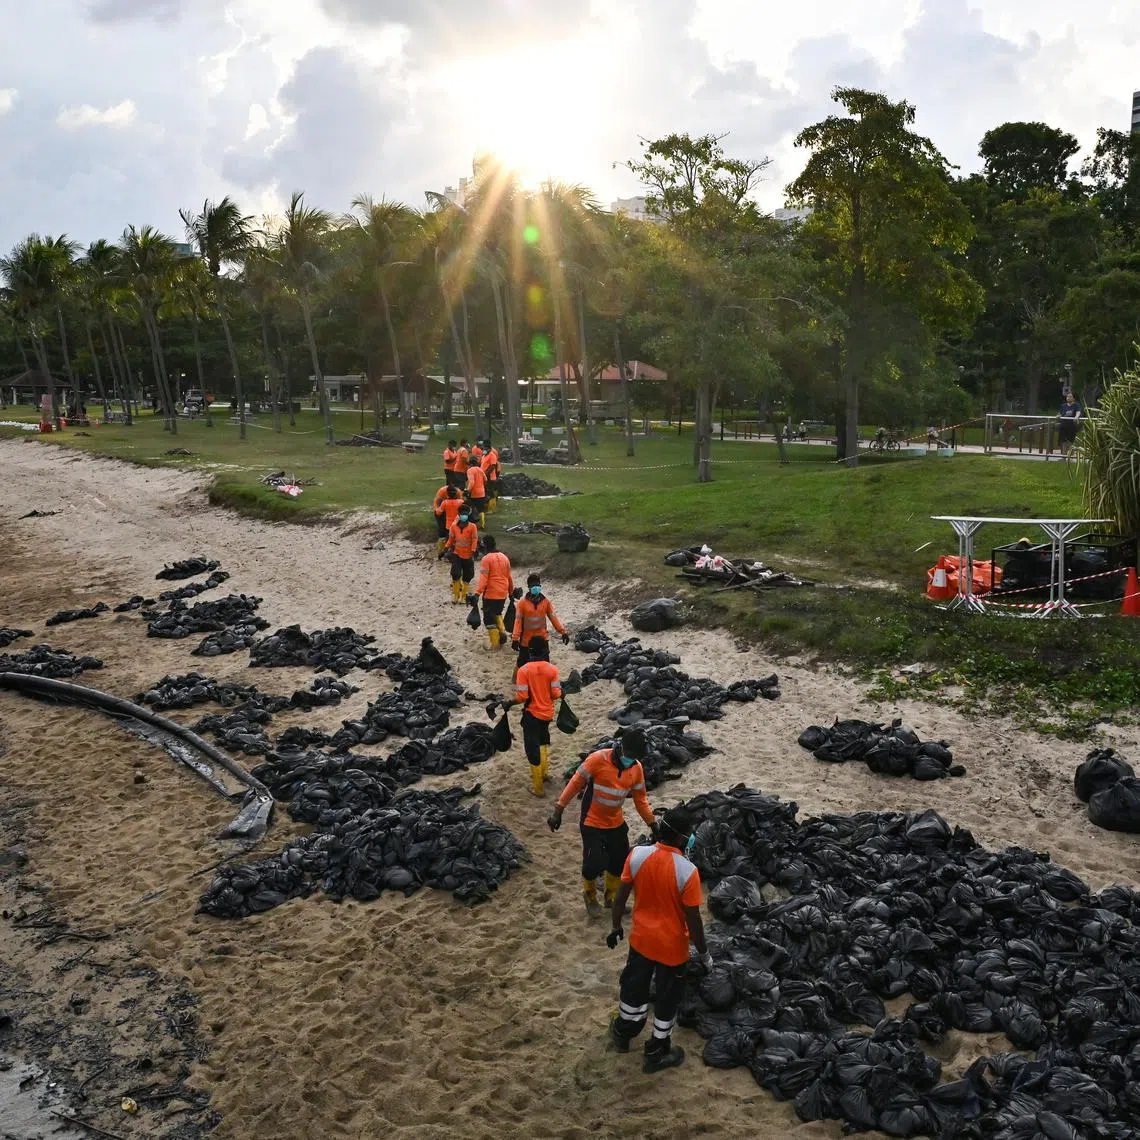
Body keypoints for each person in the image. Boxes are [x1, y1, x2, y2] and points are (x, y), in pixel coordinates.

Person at [605, 805, 709, 1073]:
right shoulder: (687, 872)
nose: (692, 837)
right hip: (672, 949)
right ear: (681, 837)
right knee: (666, 999)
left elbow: (621, 896)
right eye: (690, 833)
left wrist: (616, 927)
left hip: (641, 940)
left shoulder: (638, 856)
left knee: (634, 988)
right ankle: (656, 1052)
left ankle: (623, 1032)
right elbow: (693, 920)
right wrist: (704, 954)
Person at [548, 729, 656, 918]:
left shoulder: (636, 768)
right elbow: (575, 783)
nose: (633, 760)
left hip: (615, 821)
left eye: (637, 757)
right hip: (592, 821)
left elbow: (640, 800)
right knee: (593, 863)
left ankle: (611, 898)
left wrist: (653, 823)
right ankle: (590, 897)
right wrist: (559, 810)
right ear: (622, 748)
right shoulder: (598, 759)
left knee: (618, 861)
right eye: (631, 756)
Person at [502, 637, 561, 796]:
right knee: (542, 742)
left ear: (530, 651)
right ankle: (544, 773)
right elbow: (556, 694)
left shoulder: (524, 670)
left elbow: (522, 696)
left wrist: (509, 703)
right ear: (545, 651)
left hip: (532, 715)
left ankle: (538, 788)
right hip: (547, 714)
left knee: (532, 748)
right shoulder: (552, 669)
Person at [512, 574, 568, 677]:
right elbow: (518, 621)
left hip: (542, 638)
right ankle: (516, 680)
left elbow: (553, 618)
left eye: (537, 585)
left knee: (545, 662)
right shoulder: (522, 603)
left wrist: (563, 632)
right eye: (533, 585)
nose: (536, 587)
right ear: (529, 587)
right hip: (526, 640)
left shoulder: (546, 602)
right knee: (522, 663)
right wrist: (515, 638)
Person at [472, 535, 513, 649]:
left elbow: (484, 579)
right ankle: (502, 631)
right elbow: (509, 577)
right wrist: (510, 592)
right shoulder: (505, 557)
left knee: (489, 620)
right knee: (497, 613)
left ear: (484, 546)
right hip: (502, 593)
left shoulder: (486, 559)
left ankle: (495, 644)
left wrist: (477, 593)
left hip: (491, 593)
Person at [439, 508, 479, 603]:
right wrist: (444, 550)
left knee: (467, 576)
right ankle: (456, 597)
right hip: (457, 554)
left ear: (468, 515)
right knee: (455, 574)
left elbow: (474, 539)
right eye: (462, 514)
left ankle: (464, 597)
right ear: (459, 515)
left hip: (468, 555)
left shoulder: (472, 527)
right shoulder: (454, 527)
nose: (464, 515)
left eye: (465, 514)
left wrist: (473, 551)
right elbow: (451, 540)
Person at [1059, 391, 1082, 456]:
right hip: (1063, 425)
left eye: (1070, 397)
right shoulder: (1063, 406)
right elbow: (1060, 413)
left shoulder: (1076, 405)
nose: (1068, 398)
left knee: (1071, 441)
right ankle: (1063, 456)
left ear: (1074, 398)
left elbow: (1078, 412)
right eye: (1067, 396)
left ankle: (1070, 457)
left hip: (1071, 426)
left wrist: (1076, 417)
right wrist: (1058, 416)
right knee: (1063, 441)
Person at [465, 460, 488, 527]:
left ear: (471, 464)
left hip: (474, 493)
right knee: (481, 509)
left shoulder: (470, 470)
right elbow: (485, 479)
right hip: (482, 492)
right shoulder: (480, 470)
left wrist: (468, 490)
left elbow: (472, 482)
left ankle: (473, 524)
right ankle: (482, 524)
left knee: (472, 508)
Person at [481, 440, 500, 513]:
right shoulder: (484, 455)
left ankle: (492, 509)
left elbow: (492, 466)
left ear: (488, 448)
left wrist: (486, 473)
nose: (483, 449)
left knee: (490, 492)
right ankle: (487, 507)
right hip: (485, 476)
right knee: (487, 491)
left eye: (484, 448)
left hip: (490, 477)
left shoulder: (492, 455)